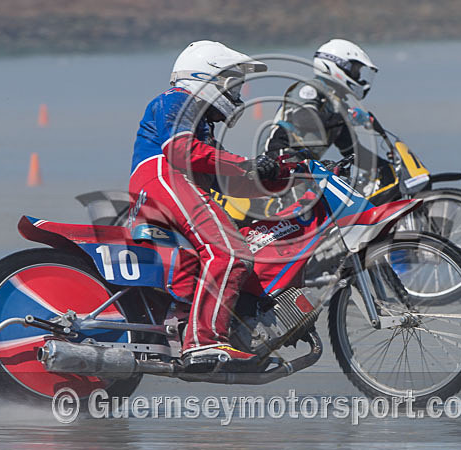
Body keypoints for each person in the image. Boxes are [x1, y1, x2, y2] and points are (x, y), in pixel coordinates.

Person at [129, 40, 282, 372]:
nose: (237, 93)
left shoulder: (202, 123)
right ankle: (204, 343)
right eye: (233, 83)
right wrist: (246, 164)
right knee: (229, 251)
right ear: (209, 78)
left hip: (171, 181)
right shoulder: (178, 100)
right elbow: (181, 151)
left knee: (235, 250)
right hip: (162, 176)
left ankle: (214, 327)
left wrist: (283, 174)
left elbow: (223, 179)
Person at [264, 39, 395, 198]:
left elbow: (353, 151)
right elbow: (304, 119)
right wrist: (346, 116)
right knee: (298, 208)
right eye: (355, 71)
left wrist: (384, 165)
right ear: (338, 65)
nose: (360, 79)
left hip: (306, 165)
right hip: (283, 156)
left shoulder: (336, 105)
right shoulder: (310, 88)